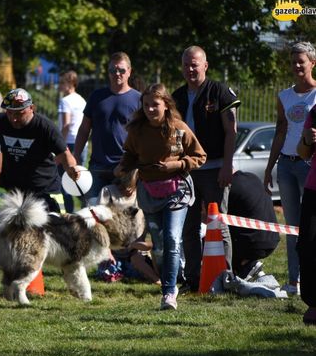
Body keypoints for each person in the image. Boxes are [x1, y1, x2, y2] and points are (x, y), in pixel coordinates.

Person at [0, 88, 79, 300]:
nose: (14, 117)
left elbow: (66, 154)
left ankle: (75, 288)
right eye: (10, 112)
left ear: (31, 108)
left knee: (64, 235)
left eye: (20, 112)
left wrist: (72, 169)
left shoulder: (45, 127)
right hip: (10, 188)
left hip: (44, 190)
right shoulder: (1, 122)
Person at [115, 83, 207, 310]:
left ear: (166, 105)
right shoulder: (137, 130)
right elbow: (130, 154)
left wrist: (177, 164)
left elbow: (200, 156)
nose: (150, 109)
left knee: (173, 239)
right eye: (146, 105)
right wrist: (123, 167)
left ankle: (169, 293)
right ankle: (175, 278)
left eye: (155, 105)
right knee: (159, 246)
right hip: (150, 192)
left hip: (178, 191)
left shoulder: (179, 128)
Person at [172, 45, 240, 293]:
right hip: (186, 172)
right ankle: (193, 279)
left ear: (205, 65)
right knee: (188, 228)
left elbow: (231, 131)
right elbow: (173, 136)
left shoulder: (219, 91)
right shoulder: (176, 96)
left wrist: (228, 165)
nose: (191, 69)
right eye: (187, 65)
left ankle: (225, 278)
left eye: (195, 64)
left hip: (215, 170)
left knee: (218, 225)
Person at [263, 42, 316, 296]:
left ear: (312, 63)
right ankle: (294, 281)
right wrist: (269, 167)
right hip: (286, 164)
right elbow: (280, 131)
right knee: (292, 226)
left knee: (311, 226)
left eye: (301, 61)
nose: (296, 66)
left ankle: (310, 279)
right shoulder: (284, 96)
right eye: (293, 61)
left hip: (310, 167)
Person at [73, 52, 141, 203]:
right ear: (108, 72)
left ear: (129, 71)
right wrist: (76, 156)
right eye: (112, 70)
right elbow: (84, 129)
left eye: (121, 70)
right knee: (92, 215)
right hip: (98, 166)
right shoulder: (96, 96)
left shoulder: (138, 100)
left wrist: (136, 170)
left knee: (122, 219)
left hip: (125, 167)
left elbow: (143, 137)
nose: (117, 74)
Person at [228, 171, 280, 281]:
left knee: (220, 232)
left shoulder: (229, 187)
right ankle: (249, 263)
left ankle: (244, 266)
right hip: (272, 239)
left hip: (252, 243)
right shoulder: (252, 177)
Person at [58, 70, 87, 212]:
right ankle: (87, 206)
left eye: (62, 82)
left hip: (68, 142)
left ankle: (69, 213)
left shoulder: (65, 101)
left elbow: (66, 125)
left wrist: (58, 145)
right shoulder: (82, 100)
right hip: (81, 143)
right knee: (79, 179)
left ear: (69, 84)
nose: (59, 86)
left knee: (65, 181)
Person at [297, 105, 316, 324]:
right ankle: (313, 302)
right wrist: (307, 141)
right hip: (313, 189)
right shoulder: (315, 112)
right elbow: (303, 154)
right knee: (307, 245)